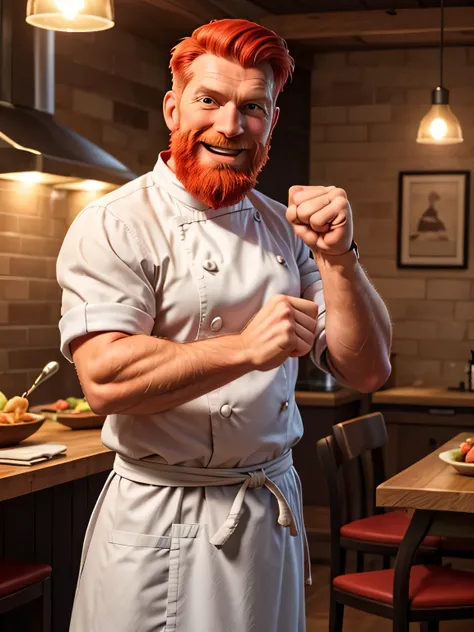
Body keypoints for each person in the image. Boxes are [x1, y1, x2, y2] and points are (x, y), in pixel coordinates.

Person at [57, 18, 392, 632]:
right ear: (172, 107)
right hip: (163, 520)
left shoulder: (283, 227)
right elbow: (103, 379)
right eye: (208, 100)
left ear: (272, 121)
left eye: (252, 108)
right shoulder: (116, 223)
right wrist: (244, 348)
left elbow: (367, 366)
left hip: (267, 518)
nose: (230, 126)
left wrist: (340, 257)